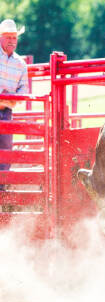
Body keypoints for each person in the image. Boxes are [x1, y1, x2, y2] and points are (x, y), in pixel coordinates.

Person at [0, 19, 28, 191]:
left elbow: (23, 89)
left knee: (6, 149)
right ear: (0, 38)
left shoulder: (20, 64)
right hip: (6, 108)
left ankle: (1, 188)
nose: (11, 40)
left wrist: (10, 99)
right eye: (8, 37)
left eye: (14, 37)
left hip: (6, 111)